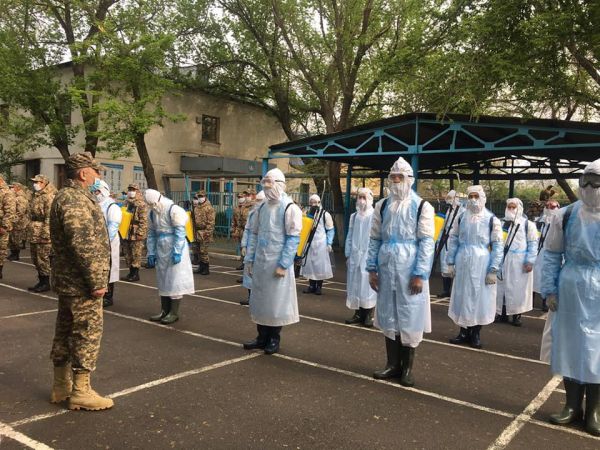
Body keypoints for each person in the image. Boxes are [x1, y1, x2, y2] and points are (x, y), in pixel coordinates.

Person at [49, 152, 113, 411]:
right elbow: (83, 244)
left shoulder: (66, 196)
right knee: (86, 332)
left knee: (65, 331)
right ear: (84, 173)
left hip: (69, 282)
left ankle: (61, 386)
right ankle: (81, 391)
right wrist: (97, 281)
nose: (98, 177)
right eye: (96, 172)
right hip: (81, 284)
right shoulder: (74, 199)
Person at [542, 158, 600, 436]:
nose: (589, 187)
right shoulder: (565, 215)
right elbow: (552, 254)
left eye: (596, 181)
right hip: (571, 287)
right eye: (585, 181)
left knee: (596, 351)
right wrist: (550, 289)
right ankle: (571, 405)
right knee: (569, 346)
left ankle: (594, 412)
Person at [367, 157, 435, 387]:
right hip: (386, 266)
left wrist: (420, 274)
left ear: (409, 179)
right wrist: (372, 268)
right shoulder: (382, 205)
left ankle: (407, 368)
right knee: (388, 314)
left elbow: (427, 242)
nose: (396, 181)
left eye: (400, 177)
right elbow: (375, 238)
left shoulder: (422, 207)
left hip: (409, 268)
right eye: (393, 177)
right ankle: (392, 364)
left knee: (410, 315)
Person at [242, 168, 302, 355]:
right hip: (261, 261)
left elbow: (293, 238)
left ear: (280, 184)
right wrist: (250, 259)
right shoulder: (261, 207)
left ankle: (274, 339)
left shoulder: (289, 208)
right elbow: (253, 233)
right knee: (260, 300)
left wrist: (284, 264)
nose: (267, 187)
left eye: (270, 183)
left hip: (277, 264)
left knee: (276, 302)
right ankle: (261, 337)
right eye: (265, 183)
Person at [444, 185, 503, 349]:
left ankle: (475, 332)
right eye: (470, 196)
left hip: (481, 262)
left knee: (479, 297)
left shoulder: (492, 220)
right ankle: (463, 331)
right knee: (462, 295)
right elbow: (453, 239)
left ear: (483, 197)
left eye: (476, 196)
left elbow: (498, 245)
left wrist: (493, 269)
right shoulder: (461, 217)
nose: (473, 200)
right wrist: (450, 262)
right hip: (463, 260)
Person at [145, 189, 194, 325]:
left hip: (174, 247)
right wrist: (151, 252)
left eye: (153, 204)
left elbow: (180, 232)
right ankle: (164, 310)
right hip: (161, 248)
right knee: (162, 278)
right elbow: (151, 234)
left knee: (174, 279)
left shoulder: (174, 210)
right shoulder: (152, 213)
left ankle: (174, 312)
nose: (152, 207)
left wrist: (177, 251)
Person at [495, 198, 538, 327]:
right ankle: (502, 314)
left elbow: (533, 244)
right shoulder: (501, 223)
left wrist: (530, 261)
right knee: (501, 287)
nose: (511, 210)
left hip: (519, 263)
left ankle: (516, 315)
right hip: (503, 260)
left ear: (519, 208)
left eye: (514, 207)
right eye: (509, 207)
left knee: (518, 289)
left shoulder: (528, 225)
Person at [344, 187, 377, 327]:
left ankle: (369, 313)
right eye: (359, 197)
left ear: (370, 199)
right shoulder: (354, 216)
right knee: (355, 284)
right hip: (355, 255)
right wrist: (348, 254)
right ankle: (358, 313)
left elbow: (376, 238)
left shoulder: (375, 216)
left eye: (364, 197)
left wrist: (374, 257)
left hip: (368, 255)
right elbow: (350, 236)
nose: (361, 200)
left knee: (368, 285)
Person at [92, 180, 122, 308]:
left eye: (97, 191)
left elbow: (113, 227)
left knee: (109, 268)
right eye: (94, 191)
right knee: (99, 268)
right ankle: (100, 293)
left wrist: (104, 243)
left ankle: (109, 296)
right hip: (96, 241)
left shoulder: (112, 206)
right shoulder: (96, 205)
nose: (95, 194)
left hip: (109, 242)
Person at [300, 194, 335, 295]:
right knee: (310, 265)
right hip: (310, 243)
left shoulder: (325, 215)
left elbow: (330, 230)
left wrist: (329, 243)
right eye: (311, 202)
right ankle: (311, 286)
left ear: (319, 202)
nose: (313, 204)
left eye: (315, 202)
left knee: (320, 266)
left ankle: (319, 287)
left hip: (321, 244)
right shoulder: (308, 213)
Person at [28, 174, 57, 292]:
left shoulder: (49, 197)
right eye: (34, 182)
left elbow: (49, 217)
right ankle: (41, 281)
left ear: (44, 183)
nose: (35, 184)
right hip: (35, 231)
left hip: (42, 232)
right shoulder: (37, 196)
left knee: (42, 258)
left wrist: (46, 235)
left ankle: (46, 283)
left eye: (38, 182)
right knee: (36, 258)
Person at [533, 199, 560, 312]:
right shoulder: (538, 222)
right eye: (547, 206)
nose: (549, 209)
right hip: (537, 254)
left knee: (547, 278)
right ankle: (531, 301)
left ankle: (544, 302)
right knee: (534, 278)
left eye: (553, 207)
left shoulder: (559, 223)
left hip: (551, 255)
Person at [436, 190, 464, 297]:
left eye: (450, 198)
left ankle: (456, 291)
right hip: (446, 238)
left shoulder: (462, 211)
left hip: (456, 240)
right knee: (445, 264)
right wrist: (438, 241)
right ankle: (446, 290)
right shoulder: (446, 210)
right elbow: (442, 226)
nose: (449, 200)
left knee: (456, 266)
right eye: (448, 198)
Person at [240, 190, 265, 305]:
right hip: (251, 247)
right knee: (248, 273)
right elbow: (247, 229)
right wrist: (244, 245)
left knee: (260, 276)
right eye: (257, 200)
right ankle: (250, 298)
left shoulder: (267, 215)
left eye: (260, 200)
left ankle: (259, 299)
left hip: (261, 249)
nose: (257, 203)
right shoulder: (252, 212)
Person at [121, 183, 148, 282]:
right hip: (126, 231)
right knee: (128, 253)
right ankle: (130, 272)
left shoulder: (141, 204)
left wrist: (140, 233)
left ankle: (135, 274)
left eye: (133, 189)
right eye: (130, 189)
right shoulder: (126, 202)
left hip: (136, 232)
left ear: (137, 191)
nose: (131, 191)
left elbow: (144, 220)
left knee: (136, 253)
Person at [192, 190, 216, 275]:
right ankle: (201, 267)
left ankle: (206, 268)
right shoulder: (197, 208)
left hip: (205, 232)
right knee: (198, 250)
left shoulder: (209, 208)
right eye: (198, 197)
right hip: (197, 231)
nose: (200, 198)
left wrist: (207, 232)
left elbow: (211, 222)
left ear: (205, 197)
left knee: (203, 251)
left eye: (201, 196)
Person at [7, 182, 29, 261]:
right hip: (14, 222)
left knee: (16, 239)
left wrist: (12, 221)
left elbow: (20, 212)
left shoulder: (20, 198)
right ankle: (13, 253)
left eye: (13, 187)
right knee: (12, 239)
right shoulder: (15, 197)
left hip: (18, 223)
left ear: (18, 188)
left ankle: (16, 254)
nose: (11, 189)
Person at [0, 176, 16, 278]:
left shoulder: (7, 193)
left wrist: (4, 227)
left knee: (1, 249)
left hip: (1, 226)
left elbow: (10, 212)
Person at [231, 190, 252, 271]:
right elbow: (234, 221)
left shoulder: (249, 207)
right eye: (239, 197)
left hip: (247, 230)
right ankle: (243, 263)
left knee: (248, 247)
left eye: (242, 197)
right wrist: (233, 230)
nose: (240, 198)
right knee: (241, 247)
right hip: (239, 231)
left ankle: (247, 264)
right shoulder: (236, 208)